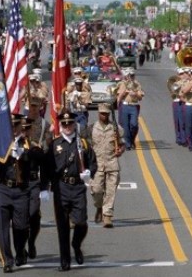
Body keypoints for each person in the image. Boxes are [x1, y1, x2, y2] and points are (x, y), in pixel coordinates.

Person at [46, 111, 97, 271]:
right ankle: (65, 261)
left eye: (70, 123)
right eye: (64, 124)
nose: (67, 126)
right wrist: (45, 187)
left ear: (74, 124)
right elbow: (47, 167)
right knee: (62, 226)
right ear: (60, 125)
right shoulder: (54, 145)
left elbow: (92, 162)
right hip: (61, 188)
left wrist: (89, 172)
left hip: (77, 187)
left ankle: (76, 244)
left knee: (81, 222)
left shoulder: (83, 143)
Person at [0, 114, 32, 273]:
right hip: (3, 189)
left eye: (16, 126)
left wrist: (22, 154)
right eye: (11, 127)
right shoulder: (0, 143)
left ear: (21, 127)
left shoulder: (27, 143)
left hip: (21, 190)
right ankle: (7, 260)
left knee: (21, 226)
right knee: (2, 227)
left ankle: (20, 250)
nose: (14, 130)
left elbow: (35, 158)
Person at [20, 115, 50, 260]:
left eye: (27, 129)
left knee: (33, 215)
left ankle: (31, 241)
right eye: (22, 129)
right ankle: (21, 246)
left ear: (31, 130)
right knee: (20, 219)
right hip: (18, 185)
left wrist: (44, 187)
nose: (24, 132)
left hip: (32, 184)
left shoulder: (35, 147)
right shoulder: (13, 147)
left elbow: (44, 167)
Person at [90, 103, 124, 228]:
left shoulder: (116, 128)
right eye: (102, 113)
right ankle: (99, 207)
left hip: (112, 164)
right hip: (97, 164)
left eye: (106, 114)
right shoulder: (92, 128)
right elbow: (86, 145)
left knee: (110, 191)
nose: (104, 116)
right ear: (98, 113)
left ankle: (107, 215)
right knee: (96, 190)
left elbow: (122, 143)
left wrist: (120, 150)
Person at [116, 68, 144, 150]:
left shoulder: (137, 84)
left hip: (134, 106)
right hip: (125, 105)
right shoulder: (123, 83)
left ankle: (132, 140)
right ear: (127, 76)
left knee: (134, 125)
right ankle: (128, 144)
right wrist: (125, 92)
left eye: (133, 75)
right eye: (130, 75)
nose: (132, 77)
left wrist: (135, 94)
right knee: (125, 126)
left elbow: (140, 97)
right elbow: (119, 96)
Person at [171, 68, 188, 146]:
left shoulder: (188, 82)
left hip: (186, 102)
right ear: (178, 75)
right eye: (181, 74)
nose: (183, 75)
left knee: (184, 121)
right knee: (177, 121)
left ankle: (184, 139)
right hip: (177, 102)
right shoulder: (176, 83)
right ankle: (179, 138)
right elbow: (173, 94)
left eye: (184, 73)